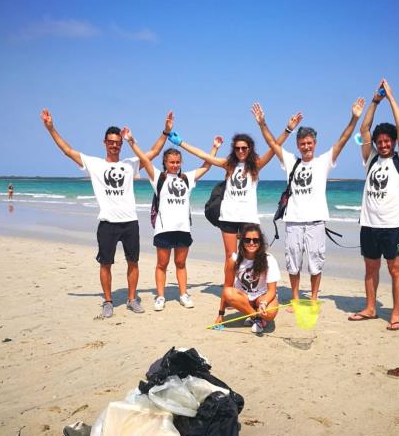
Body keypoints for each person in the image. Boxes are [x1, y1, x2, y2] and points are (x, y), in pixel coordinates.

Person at [41, 108, 173, 318]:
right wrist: (50, 128)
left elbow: (154, 152)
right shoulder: (95, 164)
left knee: (133, 262)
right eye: (111, 142)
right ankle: (108, 301)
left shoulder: (130, 164)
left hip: (130, 222)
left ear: (121, 144)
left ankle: (132, 299)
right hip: (107, 223)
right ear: (105, 143)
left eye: (118, 142)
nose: (114, 145)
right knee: (105, 263)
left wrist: (165, 131)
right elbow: (68, 150)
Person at [167, 110, 302, 281]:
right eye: (237, 148)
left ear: (249, 149)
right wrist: (180, 143)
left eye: (244, 148)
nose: (241, 151)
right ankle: (229, 288)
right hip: (229, 216)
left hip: (248, 217)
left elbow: (274, 147)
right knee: (231, 257)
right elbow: (202, 154)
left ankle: (250, 287)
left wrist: (287, 130)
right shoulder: (228, 165)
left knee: (251, 255)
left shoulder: (256, 165)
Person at [253, 98, 364, 305]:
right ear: (298, 145)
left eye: (309, 143)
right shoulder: (291, 161)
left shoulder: (323, 162)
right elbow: (272, 143)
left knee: (316, 262)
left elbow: (343, 139)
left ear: (315, 144)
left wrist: (354, 118)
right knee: (293, 262)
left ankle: (313, 298)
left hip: (316, 222)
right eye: (302, 144)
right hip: (293, 222)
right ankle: (295, 299)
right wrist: (262, 123)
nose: (306, 147)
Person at [123, 126, 222, 310]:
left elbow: (206, 166)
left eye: (177, 162)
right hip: (164, 229)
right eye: (171, 162)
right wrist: (131, 141)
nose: (175, 165)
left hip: (183, 228)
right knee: (162, 264)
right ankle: (160, 297)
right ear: (165, 163)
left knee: (180, 263)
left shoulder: (187, 178)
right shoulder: (158, 178)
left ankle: (183, 294)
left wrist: (214, 148)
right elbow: (144, 158)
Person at [348, 79, 399, 330]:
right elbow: (364, 129)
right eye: (380, 141)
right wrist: (375, 101)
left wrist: (391, 97)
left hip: (394, 226)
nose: (384, 145)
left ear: (393, 142)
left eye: (388, 141)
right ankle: (371, 308)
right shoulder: (371, 159)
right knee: (370, 269)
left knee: (395, 270)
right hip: (369, 224)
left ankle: (395, 314)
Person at [216, 223, 281, 335]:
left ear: (260, 242)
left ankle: (256, 315)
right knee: (228, 292)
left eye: (255, 240)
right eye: (247, 240)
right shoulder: (234, 259)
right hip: (244, 298)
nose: (251, 243)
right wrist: (220, 314)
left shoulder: (269, 259)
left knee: (270, 314)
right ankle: (257, 318)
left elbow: (272, 291)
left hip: (262, 296)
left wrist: (264, 303)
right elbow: (227, 288)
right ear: (242, 241)